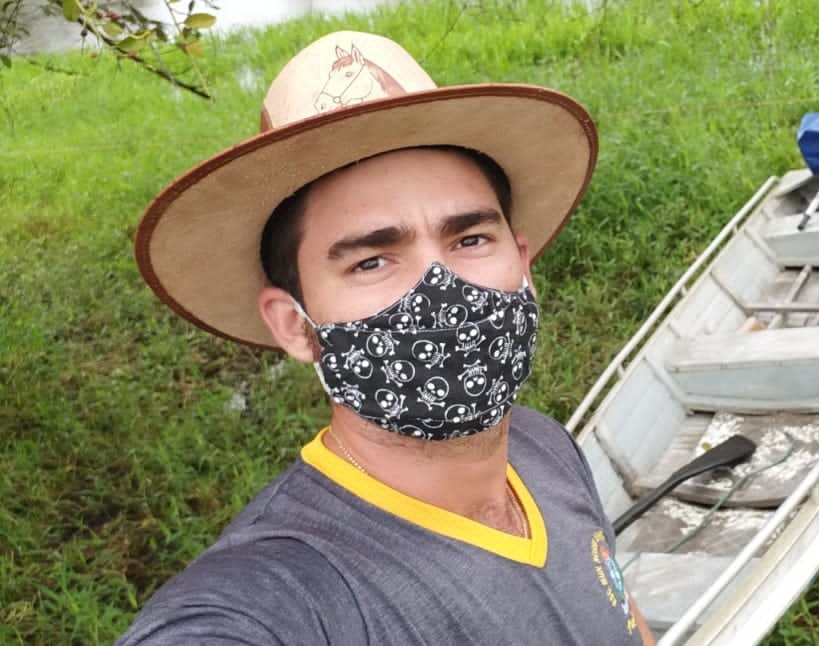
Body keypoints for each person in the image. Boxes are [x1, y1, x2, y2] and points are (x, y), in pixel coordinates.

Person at [118, 30, 656, 645]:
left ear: (524, 264)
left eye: (470, 239)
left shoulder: (544, 447)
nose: (443, 288)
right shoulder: (285, 596)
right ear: (295, 325)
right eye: (371, 261)